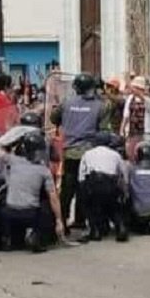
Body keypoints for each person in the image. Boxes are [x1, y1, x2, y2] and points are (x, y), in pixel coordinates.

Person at [50, 73, 103, 234]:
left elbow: (53, 118)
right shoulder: (101, 105)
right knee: (86, 187)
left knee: (67, 188)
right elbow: (104, 128)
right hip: (90, 153)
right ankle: (81, 220)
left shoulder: (66, 103)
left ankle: (63, 221)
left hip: (70, 152)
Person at [0, 130, 64, 252]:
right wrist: (58, 220)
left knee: (3, 203)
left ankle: (10, 239)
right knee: (46, 209)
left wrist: (14, 140)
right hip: (30, 214)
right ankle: (37, 237)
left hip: (10, 212)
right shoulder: (43, 170)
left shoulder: (13, 161)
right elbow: (53, 197)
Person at [78, 132, 128, 242]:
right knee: (115, 206)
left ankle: (95, 230)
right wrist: (124, 192)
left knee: (88, 205)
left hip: (93, 185)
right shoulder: (116, 155)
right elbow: (124, 175)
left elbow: (81, 178)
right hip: (111, 186)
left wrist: (84, 194)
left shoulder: (87, 154)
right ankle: (120, 227)